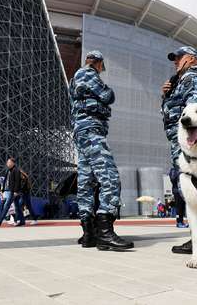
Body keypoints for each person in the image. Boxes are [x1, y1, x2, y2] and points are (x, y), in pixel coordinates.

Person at [69, 50, 133, 250]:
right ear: (97, 63)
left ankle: (88, 233)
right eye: (101, 67)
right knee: (110, 177)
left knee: (86, 182)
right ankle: (105, 232)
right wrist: (105, 91)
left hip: (83, 131)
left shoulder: (78, 77)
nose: (101, 70)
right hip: (91, 130)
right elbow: (108, 95)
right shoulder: (87, 73)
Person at [161, 46, 197, 255]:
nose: (176, 62)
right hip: (185, 142)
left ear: (192, 59)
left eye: (179, 58)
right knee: (196, 187)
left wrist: (190, 143)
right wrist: (166, 96)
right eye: (174, 59)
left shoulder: (192, 78)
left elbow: (194, 113)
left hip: (187, 143)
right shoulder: (181, 81)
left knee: (191, 187)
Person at [0, 157, 24, 227]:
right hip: (10, 191)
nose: (7, 163)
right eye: (7, 162)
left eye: (9, 162)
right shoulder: (8, 171)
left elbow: (18, 182)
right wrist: (2, 190)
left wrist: (15, 191)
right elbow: (5, 181)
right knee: (17, 207)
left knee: (6, 206)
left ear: (13, 163)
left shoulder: (16, 170)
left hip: (13, 192)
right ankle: (22, 221)